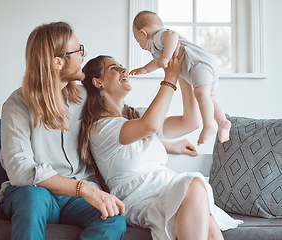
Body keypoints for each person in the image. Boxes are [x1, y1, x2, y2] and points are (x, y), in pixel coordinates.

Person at [78, 50, 242, 240]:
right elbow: (150, 126)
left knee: (207, 219)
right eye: (114, 68)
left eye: (121, 65)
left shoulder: (139, 114)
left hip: (166, 184)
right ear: (98, 82)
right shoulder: (100, 127)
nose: (123, 69)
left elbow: (190, 123)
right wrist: (169, 78)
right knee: (195, 185)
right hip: (138, 195)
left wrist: (183, 77)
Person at [0, 22, 126, 240]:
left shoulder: (84, 97)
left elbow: (119, 122)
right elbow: (20, 170)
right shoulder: (16, 105)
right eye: (79, 50)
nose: (84, 55)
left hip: (75, 200)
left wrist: (166, 142)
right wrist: (83, 189)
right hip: (35, 192)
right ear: (58, 62)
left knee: (112, 217)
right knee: (33, 199)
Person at [130, 10, 231, 146]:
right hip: (206, 64)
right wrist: (144, 69)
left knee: (201, 95)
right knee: (209, 98)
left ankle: (209, 125)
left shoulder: (159, 36)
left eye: (138, 41)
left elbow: (172, 35)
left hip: (198, 64)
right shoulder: (158, 46)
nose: (140, 46)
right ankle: (222, 121)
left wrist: (165, 57)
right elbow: (157, 62)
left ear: (143, 33)